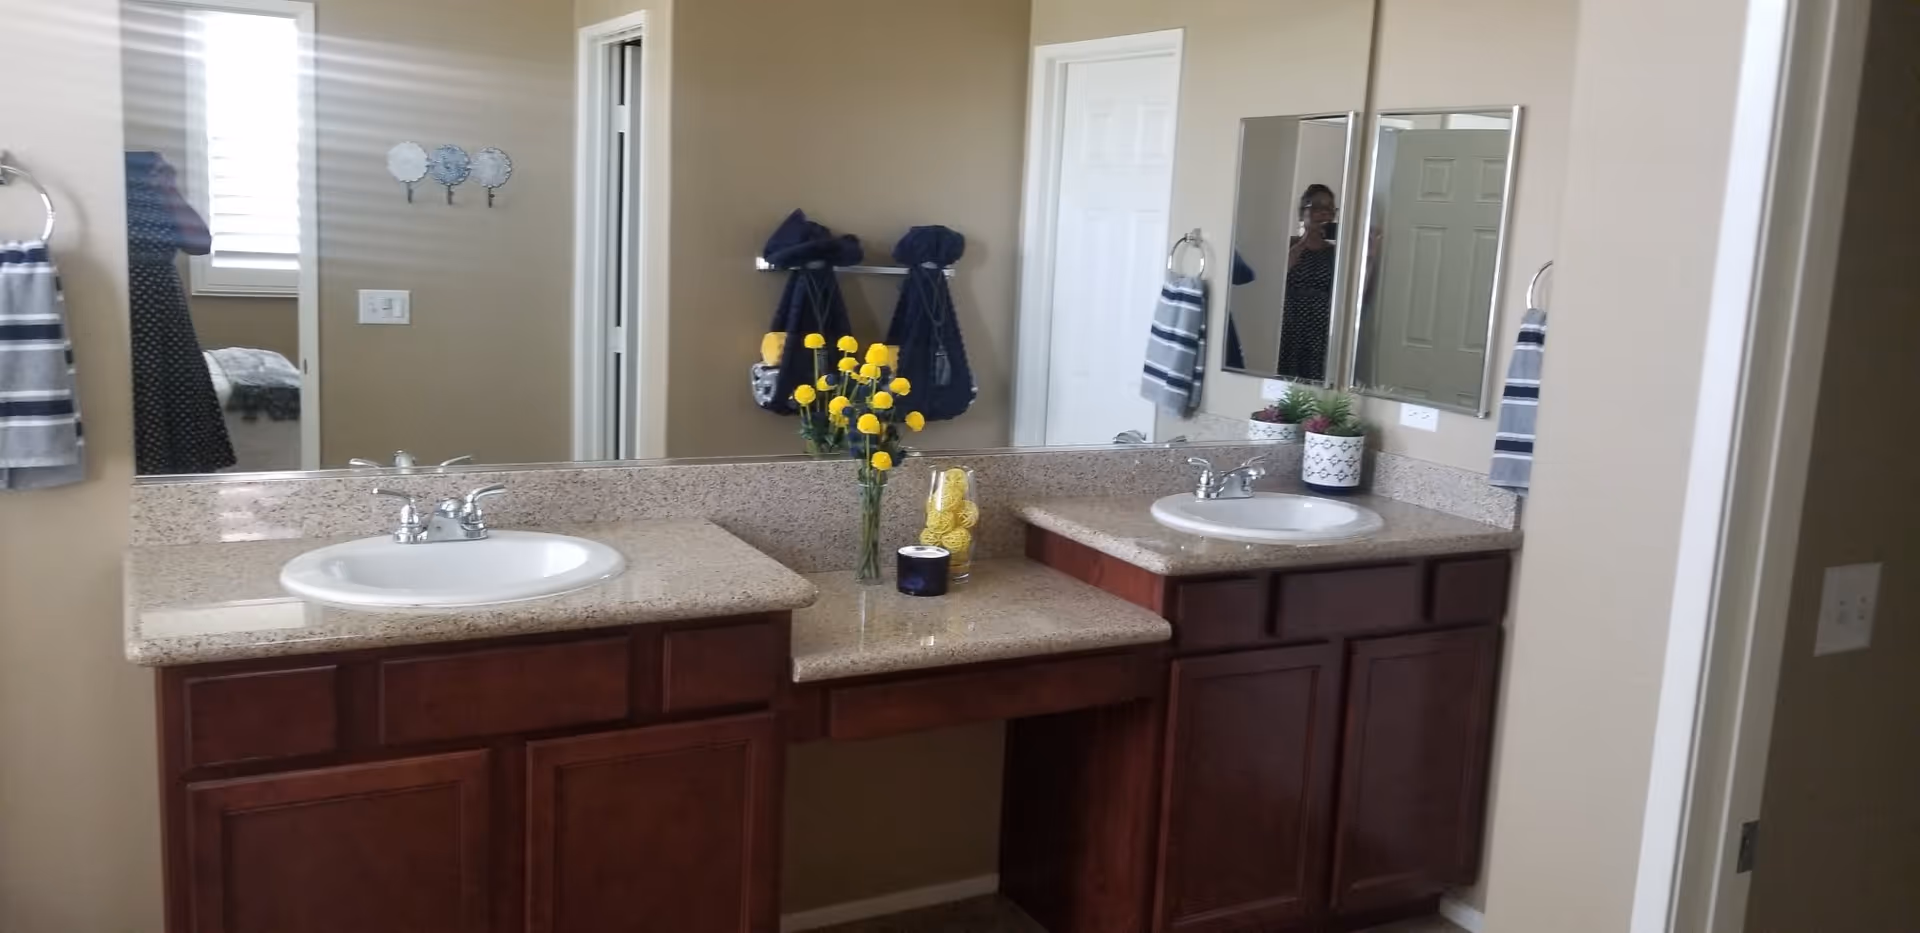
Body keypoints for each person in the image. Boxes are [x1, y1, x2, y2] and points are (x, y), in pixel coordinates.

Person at [1277, 183, 1338, 381]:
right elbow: (1277, 278)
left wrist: (1370, 258)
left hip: (1320, 330)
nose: (1324, 213)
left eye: (1329, 208)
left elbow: (1355, 297)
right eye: (1317, 207)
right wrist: (1306, 238)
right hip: (1290, 326)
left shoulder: (1335, 254)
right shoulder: (1289, 245)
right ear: (1303, 212)